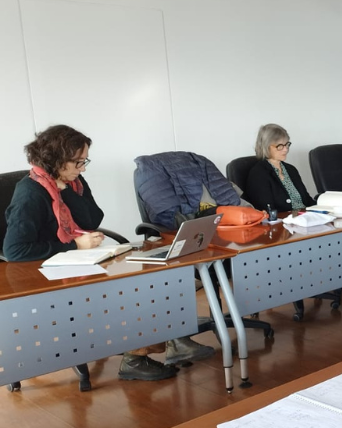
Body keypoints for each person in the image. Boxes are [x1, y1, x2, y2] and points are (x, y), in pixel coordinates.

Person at [3, 125, 214, 381]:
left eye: (84, 161)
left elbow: (92, 219)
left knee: (153, 274)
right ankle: (135, 359)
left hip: (78, 262)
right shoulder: (30, 193)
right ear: (57, 159)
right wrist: (75, 245)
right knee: (130, 288)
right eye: (78, 162)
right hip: (44, 274)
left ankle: (174, 339)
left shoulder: (72, 183)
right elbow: (14, 250)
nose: (83, 168)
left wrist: (66, 191)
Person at [245, 123, 342, 321]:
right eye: (279, 146)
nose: (285, 150)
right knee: (340, 252)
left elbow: (306, 200)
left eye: (287, 144)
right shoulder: (258, 174)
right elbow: (269, 212)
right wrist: (300, 214)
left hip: (307, 225)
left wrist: (325, 207)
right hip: (285, 235)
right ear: (266, 147)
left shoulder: (290, 170)